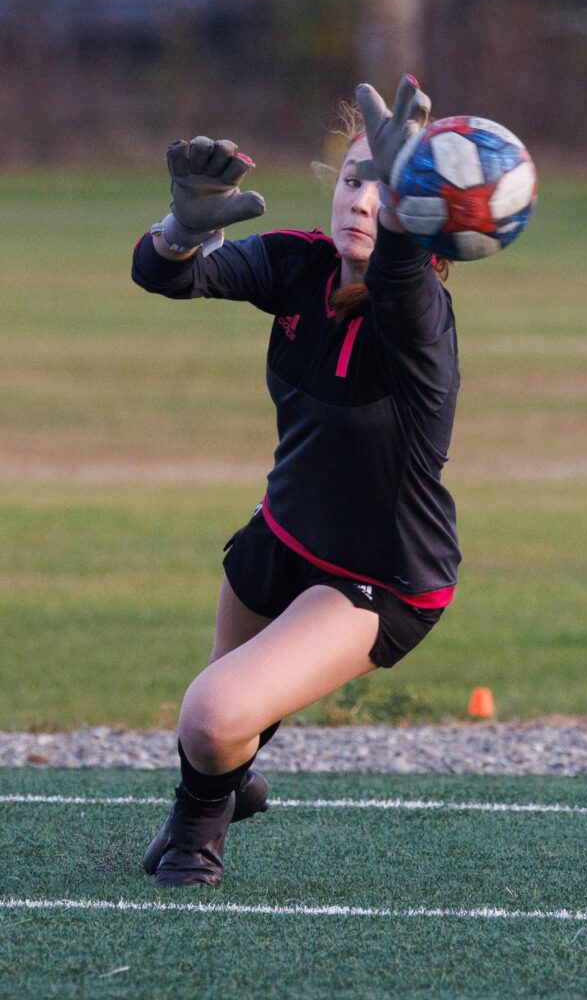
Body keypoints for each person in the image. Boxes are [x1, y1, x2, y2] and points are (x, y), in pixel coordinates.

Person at [131, 75, 461, 888]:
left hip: (376, 580)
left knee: (211, 715)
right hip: (279, 535)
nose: (361, 196)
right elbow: (167, 276)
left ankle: (194, 830)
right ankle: (215, 799)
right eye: (354, 177)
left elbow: (397, 281)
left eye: (388, 186)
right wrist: (181, 228)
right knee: (218, 719)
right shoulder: (298, 265)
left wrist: (403, 222)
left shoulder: (418, 318)